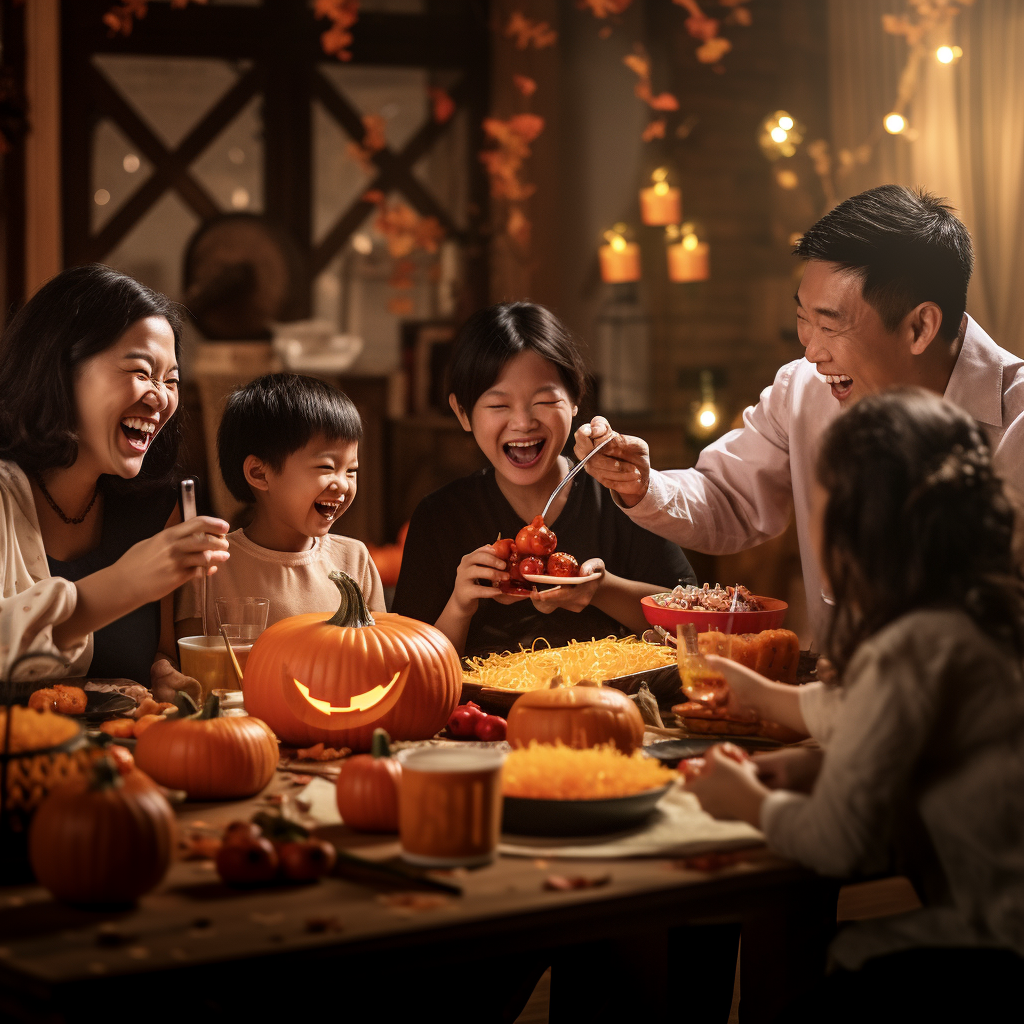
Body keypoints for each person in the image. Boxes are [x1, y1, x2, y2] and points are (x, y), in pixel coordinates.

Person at [685, 388, 1024, 1016]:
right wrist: (768, 699)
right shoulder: (977, 616)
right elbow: (875, 718)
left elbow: (839, 841)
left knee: (850, 961)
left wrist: (746, 801)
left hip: (998, 941)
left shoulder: (910, 644)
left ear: (862, 531)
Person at [574, 185, 1024, 647]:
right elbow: (727, 495)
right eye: (802, 318)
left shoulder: (1017, 425)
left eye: (829, 326)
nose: (810, 351)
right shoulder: (808, 389)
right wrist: (643, 484)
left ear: (919, 326)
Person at [392, 302, 696, 657]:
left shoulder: (620, 499)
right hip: (483, 712)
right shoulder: (440, 517)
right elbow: (408, 666)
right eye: (498, 405)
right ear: (463, 413)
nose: (523, 422)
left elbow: (693, 626)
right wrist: (460, 605)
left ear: (575, 399)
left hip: (613, 706)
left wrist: (601, 589)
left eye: (543, 400)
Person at [0, 264, 229, 687]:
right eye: (141, 372)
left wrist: (161, 676)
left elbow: (149, 656)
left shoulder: (155, 510)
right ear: (61, 369)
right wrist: (127, 581)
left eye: (171, 380)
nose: (160, 397)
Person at [176, 373, 384, 635]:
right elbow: (191, 665)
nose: (343, 484)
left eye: (351, 470)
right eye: (326, 467)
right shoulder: (210, 568)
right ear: (259, 474)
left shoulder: (355, 560)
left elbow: (379, 652)